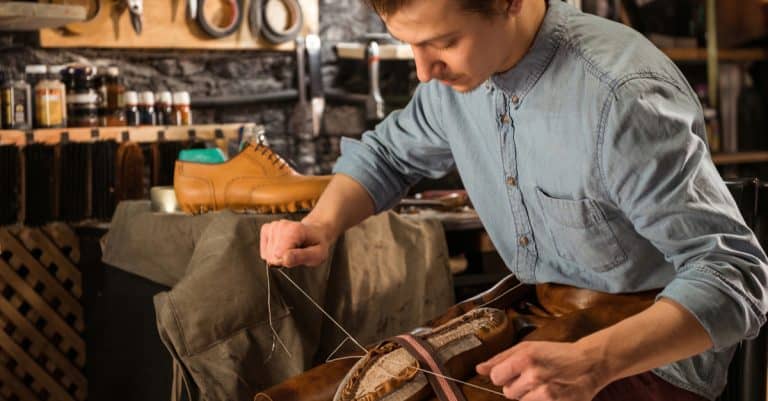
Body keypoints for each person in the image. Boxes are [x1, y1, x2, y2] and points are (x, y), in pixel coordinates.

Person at [260, 0, 768, 399]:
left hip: (650, 356)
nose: (423, 71)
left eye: (443, 42)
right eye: (410, 45)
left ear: (510, 2)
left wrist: (593, 362)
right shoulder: (455, 81)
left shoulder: (621, 97)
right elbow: (389, 155)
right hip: (537, 318)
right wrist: (322, 224)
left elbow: (735, 280)